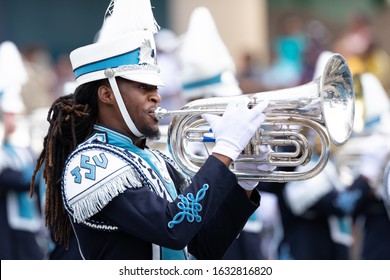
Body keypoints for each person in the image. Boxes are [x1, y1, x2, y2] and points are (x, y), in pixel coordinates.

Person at [30, 0, 270, 260]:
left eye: (156, 88)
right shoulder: (90, 163)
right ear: (106, 94)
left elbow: (205, 246)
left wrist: (243, 183)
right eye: (144, 88)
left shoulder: (156, 159)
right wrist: (225, 151)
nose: (156, 97)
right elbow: (172, 228)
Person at [0, 41, 45, 259]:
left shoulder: (22, 146)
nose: (13, 118)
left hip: (30, 226)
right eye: (9, 113)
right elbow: (11, 178)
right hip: (6, 231)